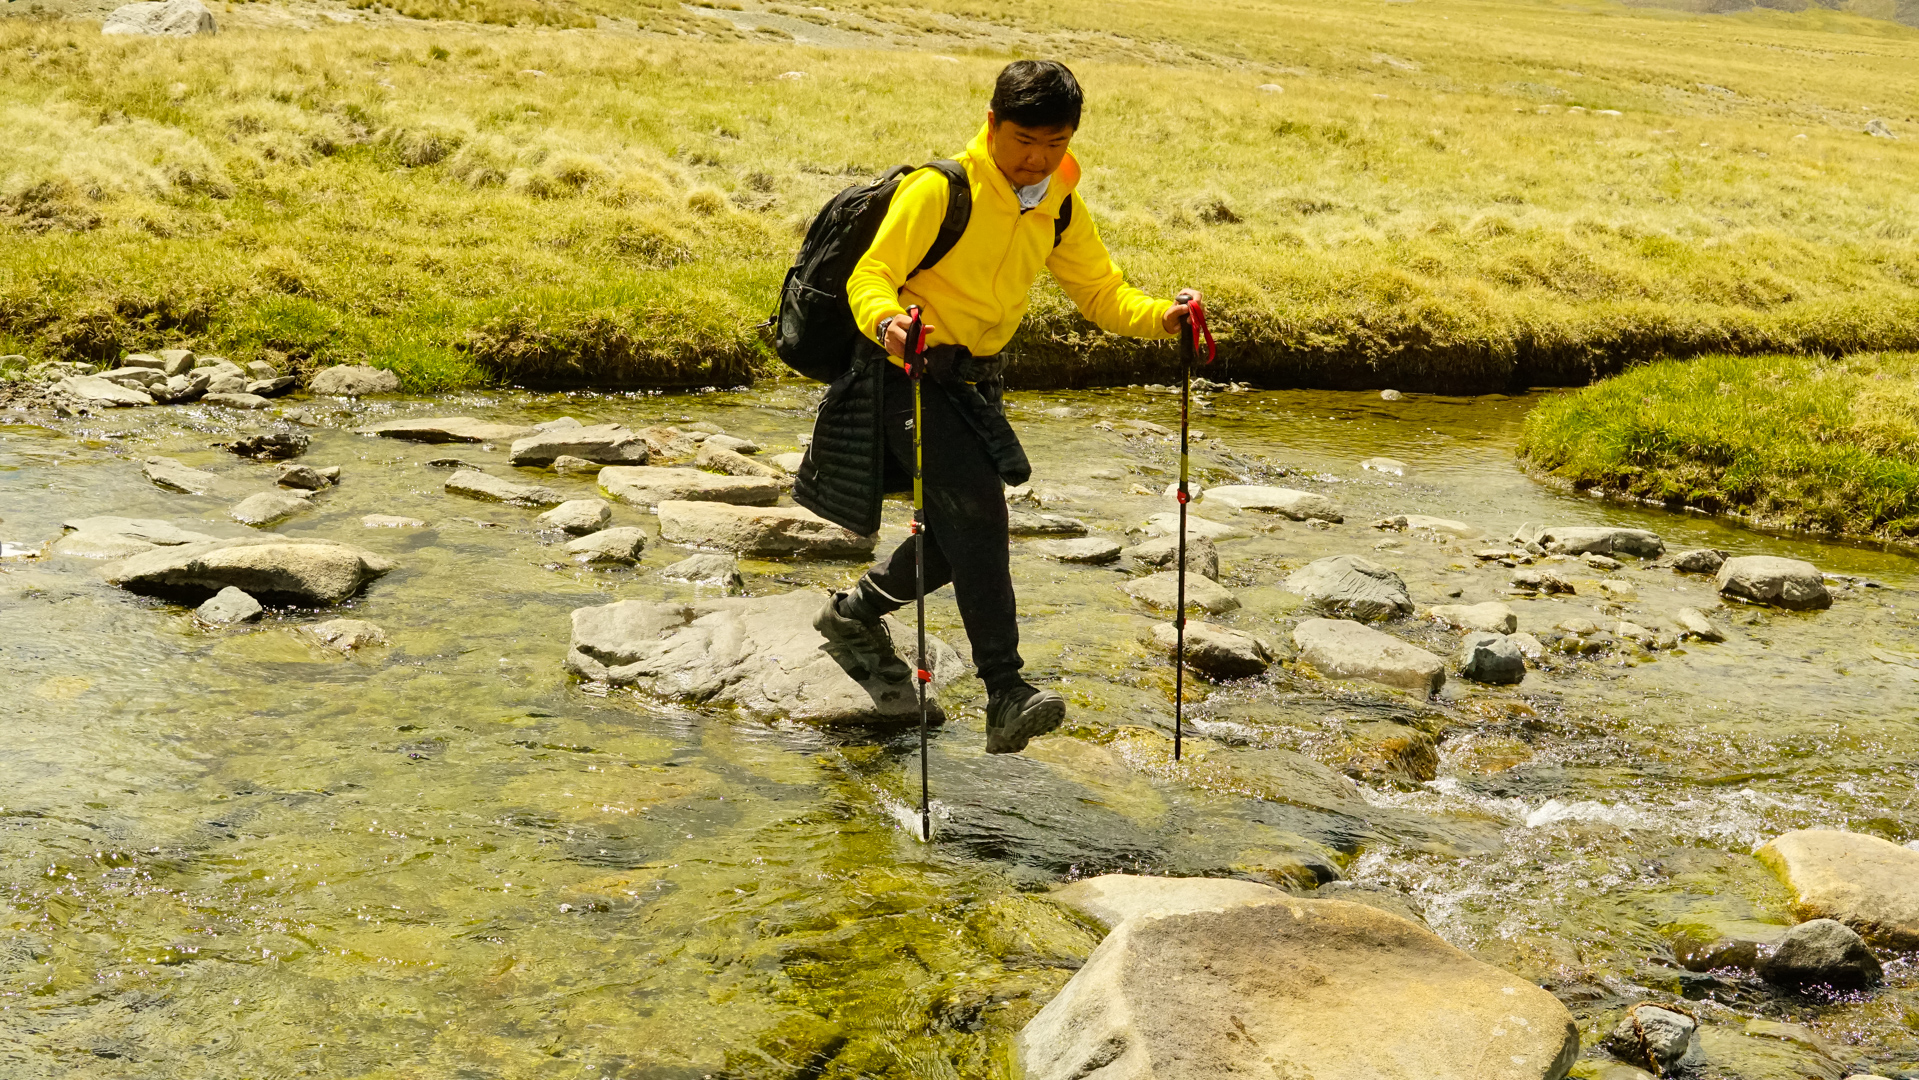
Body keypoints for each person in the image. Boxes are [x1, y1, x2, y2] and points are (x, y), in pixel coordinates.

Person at [796, 60, 1203, 755]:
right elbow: (871, 273)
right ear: (990, 124)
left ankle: (852, 613)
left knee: (958, 540)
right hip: (901, 372)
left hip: (974, 384)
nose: (1035, 158)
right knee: (980, 521)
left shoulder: (1059, 202)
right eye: (1022, 140)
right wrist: (888, 319)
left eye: (1054, 143)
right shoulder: (939, 191)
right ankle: (1004, 691)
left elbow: (1103, 293)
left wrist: (1164, 317)